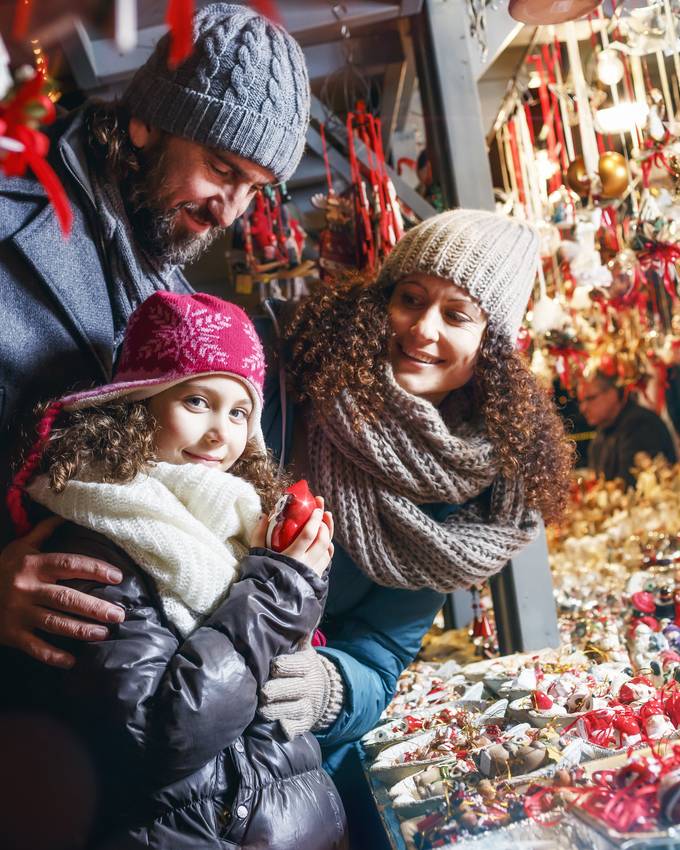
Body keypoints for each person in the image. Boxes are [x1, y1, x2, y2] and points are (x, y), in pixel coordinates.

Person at [3, 210, 574, 847]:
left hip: (279, 775)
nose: (423, 328)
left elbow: (381, 654)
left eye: (457, 314)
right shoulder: (285, 373)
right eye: (409, 299)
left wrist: (333, 685)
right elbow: (134, 464)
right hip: (152, 753)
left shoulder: (466, 498)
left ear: (495, 343)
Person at [0, 2, 310, 662]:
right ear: (145, 123)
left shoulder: (176, 298)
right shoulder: (7, 215)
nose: (229, 210)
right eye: (223, 169)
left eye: (254, 189)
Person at [2, 290, 346, 850]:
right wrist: (281, 585)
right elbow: (164, 733)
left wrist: (297, 573)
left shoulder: (235, 524)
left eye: (239, 413)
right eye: (196, 402)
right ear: (139, 404)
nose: (221, 433)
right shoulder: (97, 537)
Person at [578, 371, 677, 488]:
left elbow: (628, 488)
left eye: (590, 398)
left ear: (613, 393)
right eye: (580, 401)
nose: (582, 408)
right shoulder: (602, 432)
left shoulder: (641, 424)